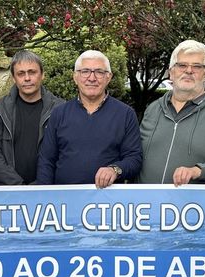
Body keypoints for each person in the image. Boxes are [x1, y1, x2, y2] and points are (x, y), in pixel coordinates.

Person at [137, 40, 205, 185]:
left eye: (197, 66)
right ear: (171, 72)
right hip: (148, 204)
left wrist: (199, 171)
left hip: (194, 205)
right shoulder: (153, 109)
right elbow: (135, 154)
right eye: (182, 65)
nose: (189, 71)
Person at [36, 50, 142, 188]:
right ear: (75, 77)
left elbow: (134, 159)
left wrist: (114, 169)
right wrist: (45, 196)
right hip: (65, 201)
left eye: (99, 72)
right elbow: (46, 161)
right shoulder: (59, 114)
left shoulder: (126, 114)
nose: (92, 78)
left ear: (108, 77)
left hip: (107, 202)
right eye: (85, 71)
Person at [0, 50, 65, 185]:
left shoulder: (61, 110)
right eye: (21, 73)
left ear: (42, 75)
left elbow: (65, 153)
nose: (27, 78)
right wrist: (19, 187)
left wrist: (40, 184)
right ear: (13, 78)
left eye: (32, 72)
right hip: (9, 194)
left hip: (48, 192)